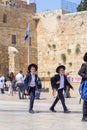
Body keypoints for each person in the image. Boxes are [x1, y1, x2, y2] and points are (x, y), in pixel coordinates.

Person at [78, 52, 87, 121]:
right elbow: (80, 72)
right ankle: (84, 116)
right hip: (86, 85)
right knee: (86, 100)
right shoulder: (85, 65)